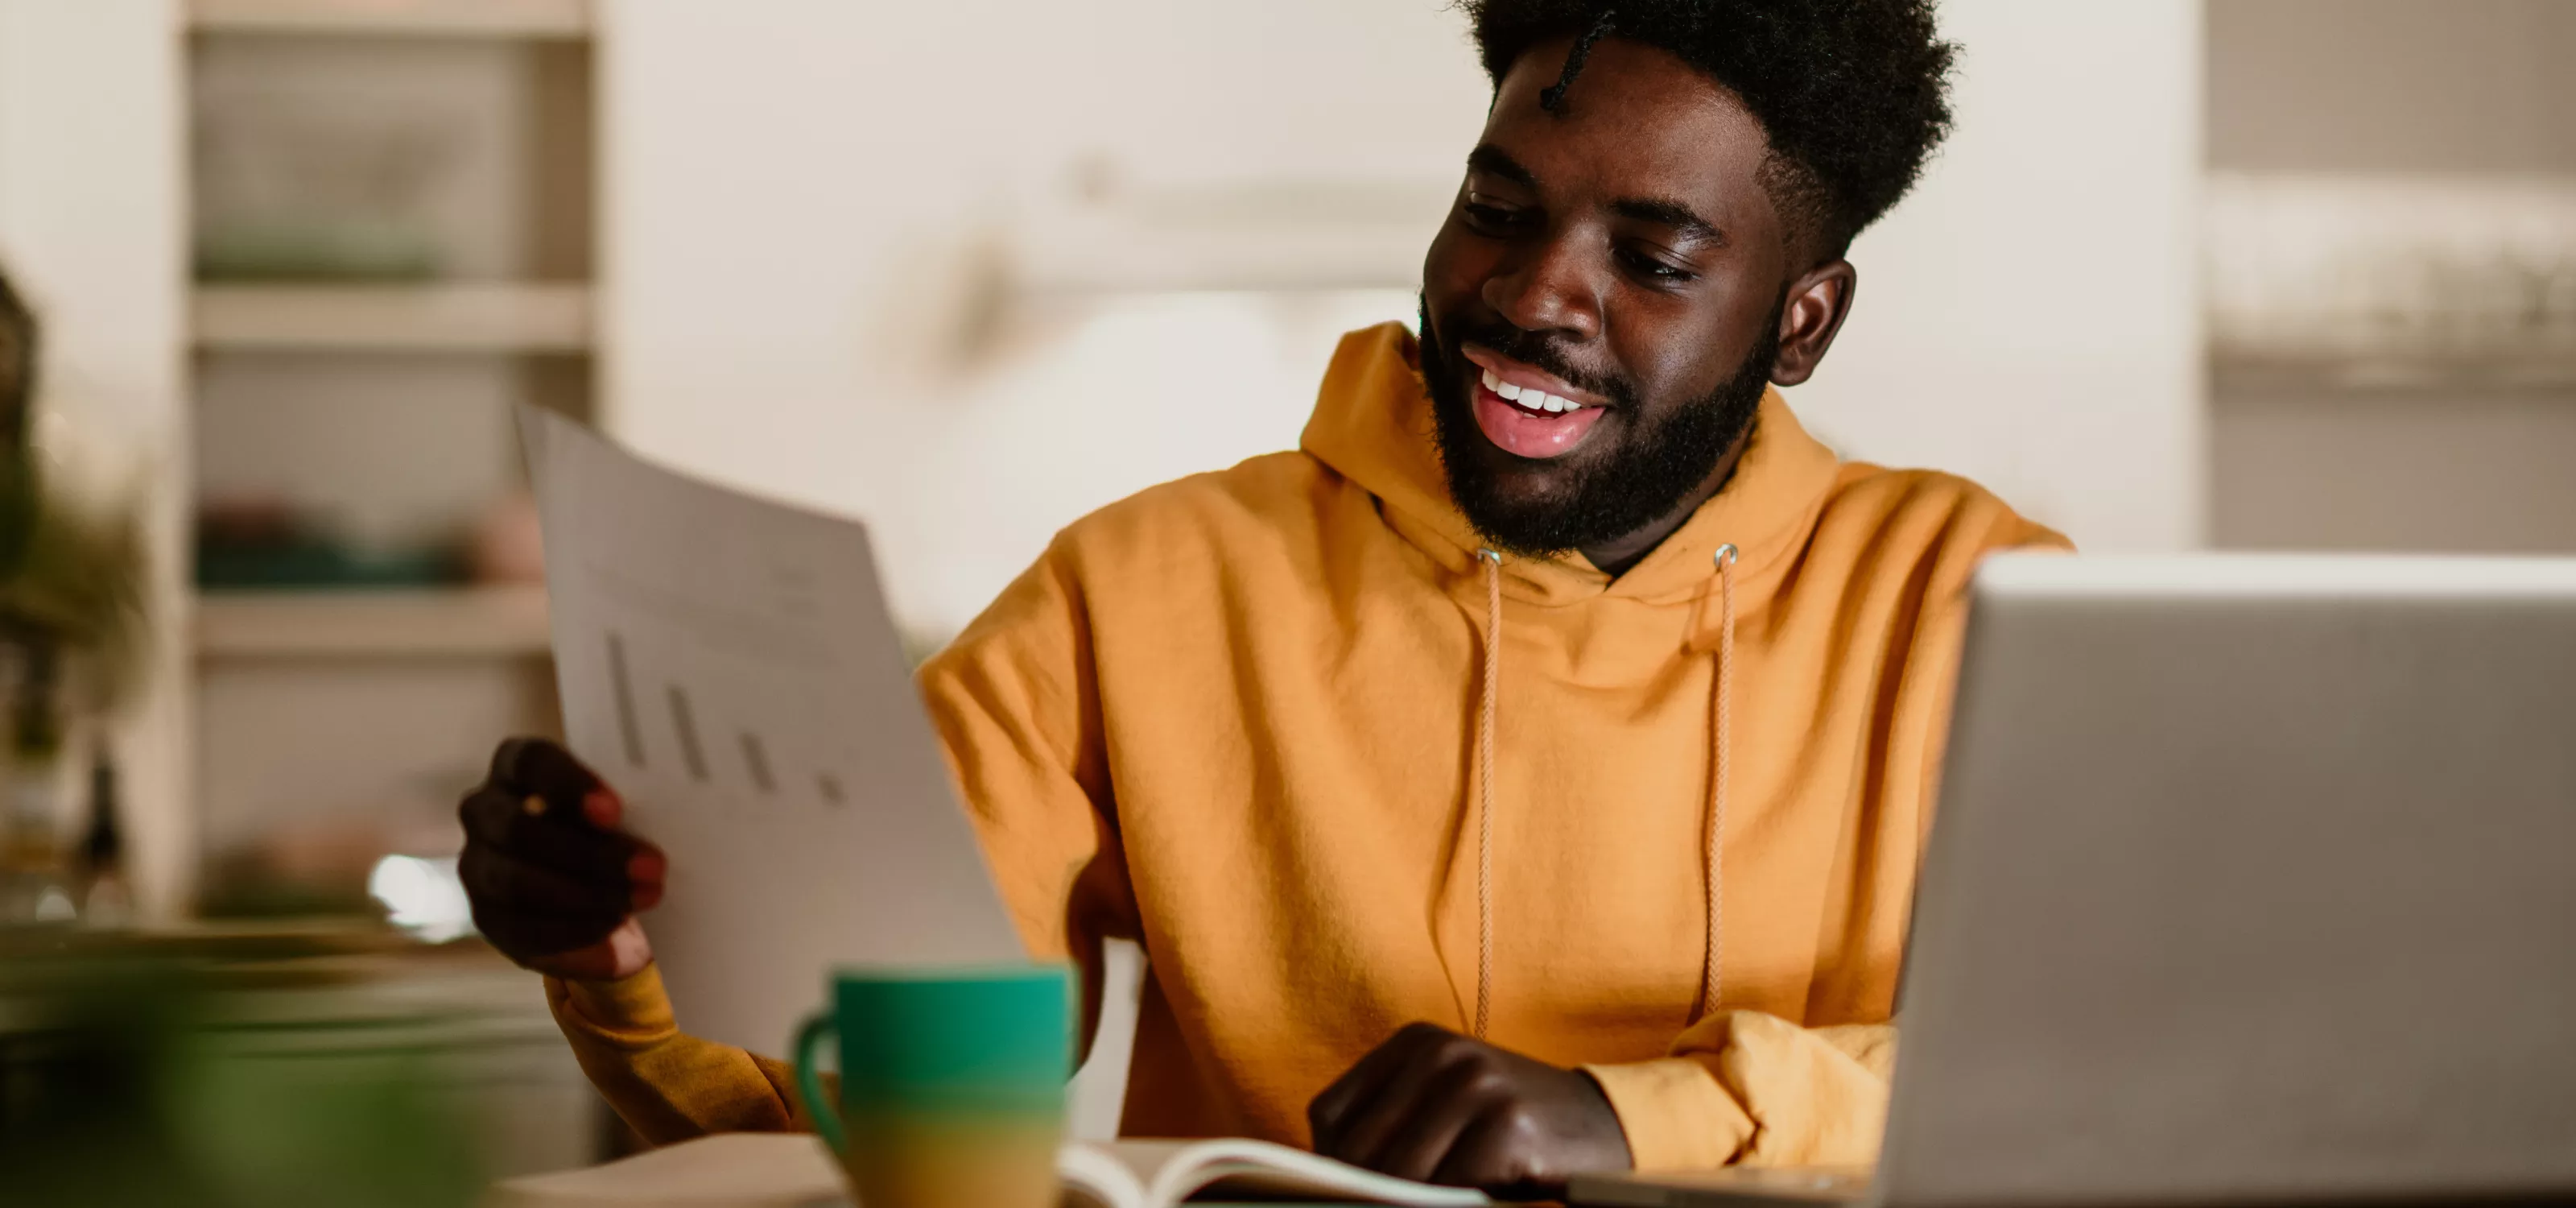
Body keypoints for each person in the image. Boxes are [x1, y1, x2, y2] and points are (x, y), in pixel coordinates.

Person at [459, 0, 2068, 1197]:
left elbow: (2111, 1077)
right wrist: (623, 960)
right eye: (1497, 206)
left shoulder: (1979, 604)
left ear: (1800, 321)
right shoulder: (1142, 588)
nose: (1527, 294)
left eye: (1650, 258)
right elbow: (866, 1103)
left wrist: (1626, 1113)